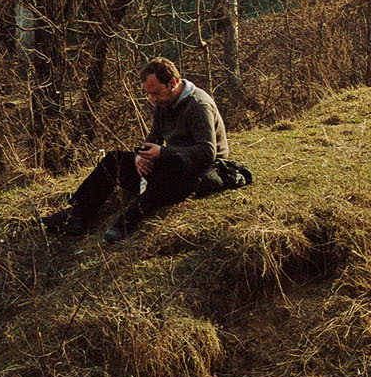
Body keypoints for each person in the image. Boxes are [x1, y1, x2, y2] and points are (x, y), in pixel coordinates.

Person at [44, 58, 231, 244]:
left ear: (172, 83)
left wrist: (162, 153)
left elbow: (207, 151)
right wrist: (139, 157)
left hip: (200, 171)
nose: (152, 99)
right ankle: (76, 215)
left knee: (173, 165)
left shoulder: (198, 105)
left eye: (155, 93)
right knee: (114, 160)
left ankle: (126, 221)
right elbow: (153, 139)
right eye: (149, 94)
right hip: (171, 162)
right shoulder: (163, 103)